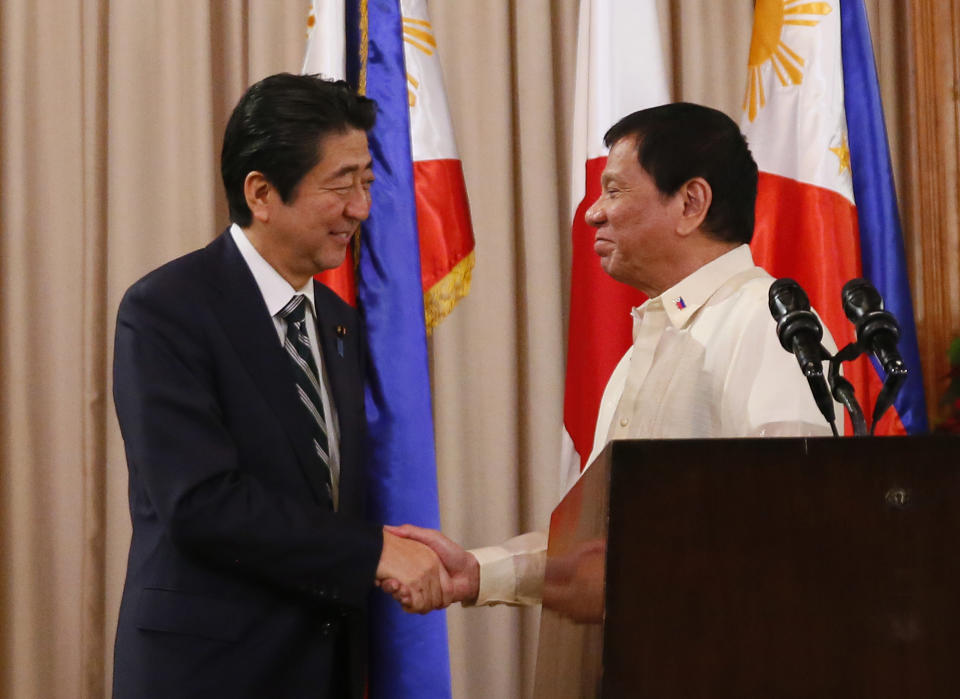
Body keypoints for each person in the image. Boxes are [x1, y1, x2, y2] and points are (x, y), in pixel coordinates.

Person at [382, 102, 842, 613]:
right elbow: (599, 550)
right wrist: (476, 573)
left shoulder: (767, 323)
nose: (592, 211)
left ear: (691, 203)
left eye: (614, 190)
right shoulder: (640, 353)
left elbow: (793, 522)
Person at [111, 74, 450, 699]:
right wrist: (369, 550)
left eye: (367, 183)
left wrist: (397, 547)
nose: (361, 208)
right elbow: (201, 503)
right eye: (341, 184)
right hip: (208, 674)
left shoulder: (340, 324)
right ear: (262, 193)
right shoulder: (166, 310)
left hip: (322, 673)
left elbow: (318, 496)